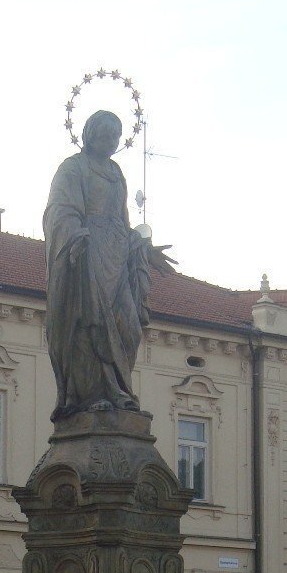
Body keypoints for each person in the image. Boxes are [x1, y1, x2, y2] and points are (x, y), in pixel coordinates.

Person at [43, 109, 175, 421]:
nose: (112, 142)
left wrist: (143, 248)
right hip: (87, 254)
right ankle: (91, 396)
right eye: (105, 136)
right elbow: (59, 210)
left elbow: (122, 222)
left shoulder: (116, 173)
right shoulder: (72, 168)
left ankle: (120, 392)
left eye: (116, 137)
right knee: (91, 324)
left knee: (128, 327)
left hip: (116, 255)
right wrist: (74, 236)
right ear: (89, 135)